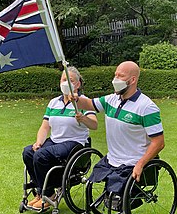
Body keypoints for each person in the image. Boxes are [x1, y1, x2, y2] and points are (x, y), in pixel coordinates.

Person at [70, 61, 164, 197]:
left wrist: (140, 164)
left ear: (132, 80)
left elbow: (159, 142)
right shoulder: (111, 99)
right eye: (115, 75)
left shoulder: (147, 107)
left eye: (120, 76)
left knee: (115, 198)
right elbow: (90, 104)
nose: (115, 80)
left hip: (132, 162)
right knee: (92, 182)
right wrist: (76, 99)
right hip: (112, 159)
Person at [22, 66, 98, 209]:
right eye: (64, 79)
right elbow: (45, 126)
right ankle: (40, 192)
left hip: (74, 143)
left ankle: (48, 194)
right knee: (28, 152)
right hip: (55, 140)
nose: (66, 83)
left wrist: (83, 119)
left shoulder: (83, 102)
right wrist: (39, 142)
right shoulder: (53, 102)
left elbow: (94, 125)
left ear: (78, 84)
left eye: (71, 80)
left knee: (41, 155)